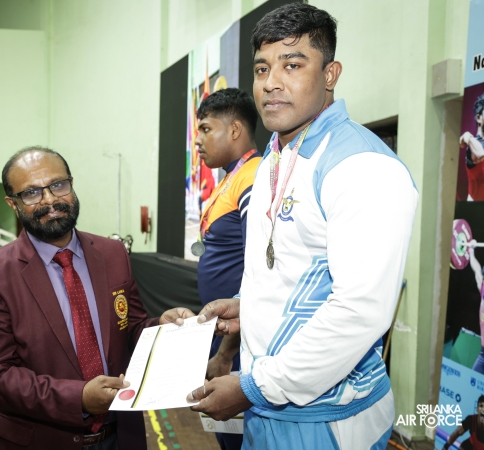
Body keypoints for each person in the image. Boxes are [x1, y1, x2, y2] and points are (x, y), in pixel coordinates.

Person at [177, 4, 418, 449]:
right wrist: (246, 307)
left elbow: (358, 312)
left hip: (329, 418)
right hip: (269, 403)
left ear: (330, 74)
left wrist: (253, 387)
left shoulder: (363, 166)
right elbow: (290, 268)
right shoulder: (275, 156)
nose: (271, 82)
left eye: (292, 65)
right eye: (262, 68)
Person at [0, 146, 194, 450]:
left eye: (58, 185)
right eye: (31, 193)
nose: (50, 200)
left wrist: (161, 326)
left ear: (71, 184)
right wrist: (78, 398)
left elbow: (130, 328)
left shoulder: (112, 254)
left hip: (121, 436)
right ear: (13, 204)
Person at [194, 88, 260, 450]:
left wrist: (225, 354)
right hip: (226, 334)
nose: (198, 141)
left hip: (241, 342)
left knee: (239, 438)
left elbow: (259, 277)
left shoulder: (252, 177)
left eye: (206, 129)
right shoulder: (231, 178)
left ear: (235, 130)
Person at [460, 93, 484, 201]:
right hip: (475, 207)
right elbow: (480, 154)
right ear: (479, 118)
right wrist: (467, 136)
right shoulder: (475, 144)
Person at [468, 240, 484, 373]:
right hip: (483, 353)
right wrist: (471, 252)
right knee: (472, 377)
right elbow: (477, 270)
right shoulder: (483, 289)